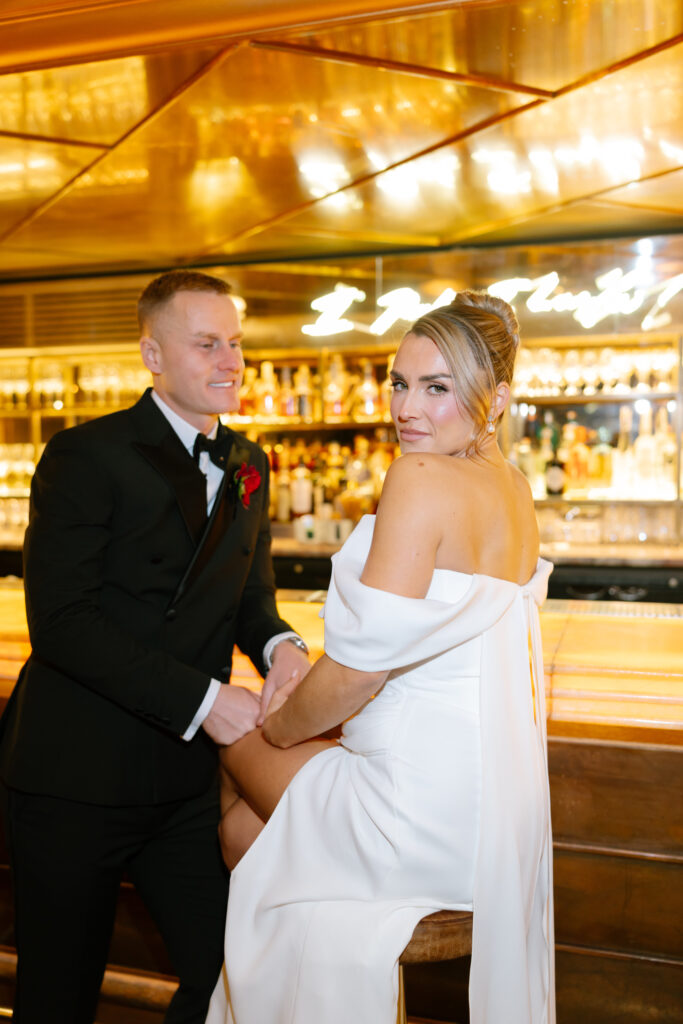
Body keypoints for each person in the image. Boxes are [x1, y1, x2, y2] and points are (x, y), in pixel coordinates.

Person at [206, 291, 556, 1024]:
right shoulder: (515, 489)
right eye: (399, 383)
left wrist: (279, 724)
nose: (407, 408)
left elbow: (360, 671)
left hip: (407, 817)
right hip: (486, 821)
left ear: (493, 400)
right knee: (249, 834)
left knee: (233, 740)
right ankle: (291, 910)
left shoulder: (420, 479)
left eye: (437, 388)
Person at [0, 269, 311, 1024]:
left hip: (179, 785)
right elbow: (64, 625)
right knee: (58, 996)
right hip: (72, 776)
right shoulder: (84, 455)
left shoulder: (249, 464)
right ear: (153, 354)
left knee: (230, 971)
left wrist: (283, 649)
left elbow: (247, 599)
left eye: (234, 343)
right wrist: (207, 700)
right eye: (206, 344)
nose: (229, 361)